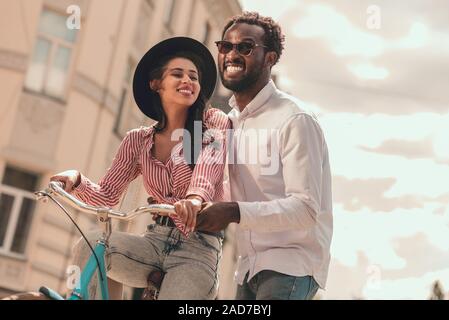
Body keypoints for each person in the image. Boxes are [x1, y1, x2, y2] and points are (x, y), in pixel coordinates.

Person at [50, 37, 230, 299]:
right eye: (177, 74)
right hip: (154, 241)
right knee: (90, 245)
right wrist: (76, 180)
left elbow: (207, 170)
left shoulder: (212, 124)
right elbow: (107, 195)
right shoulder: (138, 140)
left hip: (198, 249)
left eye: (194, 76)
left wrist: (194, 199)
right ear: (156, 83)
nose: (187, 81)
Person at [195, 12, 333, 300]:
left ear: (270, 58)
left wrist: (233, 212)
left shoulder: (295, 119)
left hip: (291, 265)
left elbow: (306, 209)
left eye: (245, 47)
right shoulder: (227, 122)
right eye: (225, 46)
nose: (232, 54)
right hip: (248, 266)